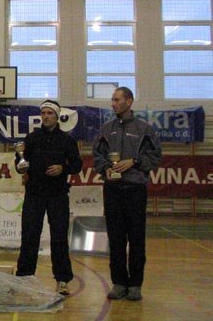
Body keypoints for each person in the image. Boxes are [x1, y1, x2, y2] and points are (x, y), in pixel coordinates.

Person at [92, 87, 162, 301]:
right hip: (112, 190)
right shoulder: (106, 129)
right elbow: (97, 155)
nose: (112, 103)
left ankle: (135, 285)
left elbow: (155, 156)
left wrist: (135, 161)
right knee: (115, 238)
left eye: (116, 100)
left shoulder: (144, 129)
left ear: (129, 102)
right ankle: (119, 283)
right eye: (112, 100)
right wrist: (105, 168)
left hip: (135, 190)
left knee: (136, 239)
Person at [15, 99, 82, 296]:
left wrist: (63, 168)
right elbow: (20, 161)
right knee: (29, 236)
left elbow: (77, 165)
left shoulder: (67, 140)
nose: (46, 116)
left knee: (59, 238)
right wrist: (20, 167)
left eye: (50, 113)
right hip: (34, 194)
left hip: (57, 195)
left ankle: (62, 280)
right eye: (43, 113)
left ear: (57, 116)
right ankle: (24, 277)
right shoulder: (31, 138)